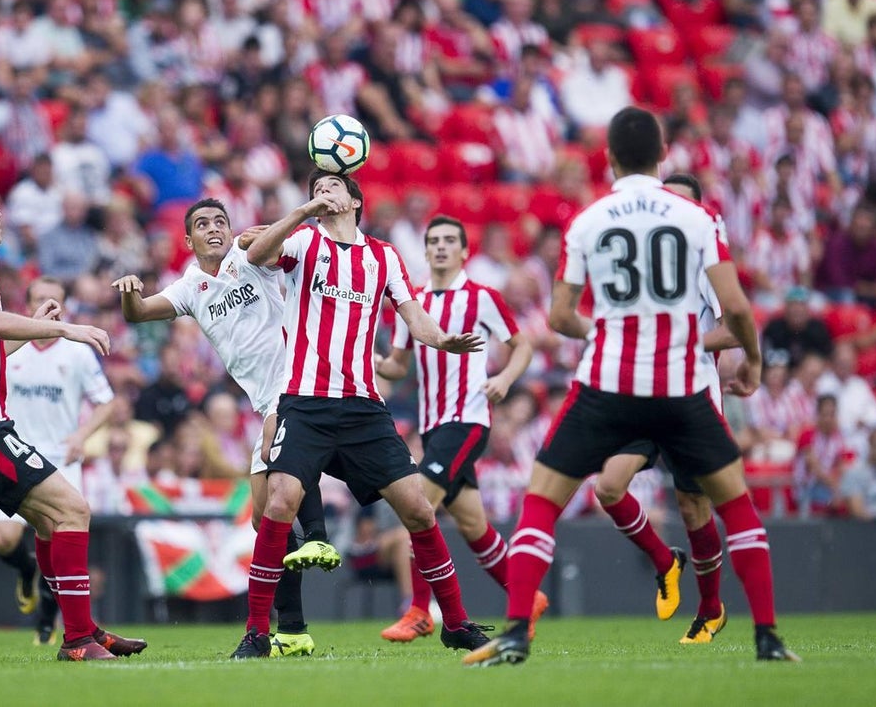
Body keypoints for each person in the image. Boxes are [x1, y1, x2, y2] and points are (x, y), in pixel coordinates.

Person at [464, 107, 798, 667]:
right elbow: (738, 308)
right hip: (681, 384)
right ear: (663, 154)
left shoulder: (588, 220)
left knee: (542, 499)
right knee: (736, 506)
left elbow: (561, 315)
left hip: (610, 383)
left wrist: (605, 331)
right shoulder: (698, 219)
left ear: (610, 157)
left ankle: (518, 630)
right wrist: (755, 363)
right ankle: (767, 637)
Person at [232, 169, 489, 658]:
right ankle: (257, 633)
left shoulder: (383, 256)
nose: (322, 193)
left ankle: (456, 622)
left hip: (363, 408)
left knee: (419, 508)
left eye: (331, 187)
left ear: (353, 201)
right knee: (279, 503)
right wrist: (305, 210)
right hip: (305, 401)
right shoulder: (305, 240)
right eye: (315, 188)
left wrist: (441, 339)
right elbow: (256, 255)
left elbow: (412, 314)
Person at [112, 197, 341, 657]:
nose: (214, 229)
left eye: (220, 221)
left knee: (279, 469)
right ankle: (293, 628)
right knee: (264, 519)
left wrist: (300, 212)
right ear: (188, 239)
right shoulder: (190, 287)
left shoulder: (250, 255)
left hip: (296, 384)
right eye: (202, 224)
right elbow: (137, 313)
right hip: (263, 400)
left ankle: (318, 538)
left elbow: (274, 245)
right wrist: (129, 291)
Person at [0, 177, 143, 662]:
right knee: (73, 510)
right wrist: (64, 328)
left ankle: (85, 632)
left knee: (51, 521)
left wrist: (38, 329)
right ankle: (78, 640)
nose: (0, 214)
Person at [375, 215, 549, 643]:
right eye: (433, 240)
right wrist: (369, 362)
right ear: (425, 249)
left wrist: (505, 379)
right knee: (474, 526)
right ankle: (528, 598)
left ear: (465, 251)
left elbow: (522, 345)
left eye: (449, 240)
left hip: (467, 419)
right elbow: (397, 365)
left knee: (418, 506)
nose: (440, 247)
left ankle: (419, 609)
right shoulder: (412, 302)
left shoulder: (482, 297)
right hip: (432, 425)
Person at [586, 173, 738, 645]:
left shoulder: (707, 263)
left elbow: (733, 328)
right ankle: (664, 559)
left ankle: (710, 610)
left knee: (693, 505)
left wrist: (687, 345)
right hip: (642, 391)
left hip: (691, 395)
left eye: (683, 203)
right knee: (609, 486)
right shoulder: (645, 267)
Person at [0, 275, 118, 646]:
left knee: (57, 536)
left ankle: (47, 623)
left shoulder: (76, 352)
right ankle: (27, 569)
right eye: (41, 299)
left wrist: (81, 435)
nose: (49, 306)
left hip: (60, 457)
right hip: (13, 452)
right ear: (28, 304)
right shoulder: (10, 346)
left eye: (56, 300)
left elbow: (107, 402)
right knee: (3, 539)